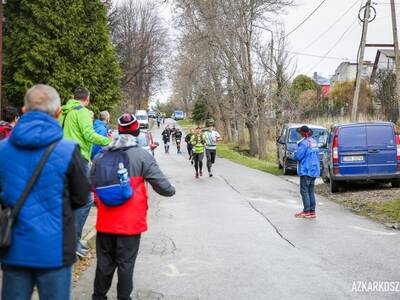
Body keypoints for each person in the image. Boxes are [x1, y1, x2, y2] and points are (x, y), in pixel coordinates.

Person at [0, 84, 89, 300]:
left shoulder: (2, 150)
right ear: (58, 113)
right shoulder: (68, 151)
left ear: (23, 110)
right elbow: (81, 198)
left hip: (14, 249)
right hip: (55, 252)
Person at [91, 113, 175, 300]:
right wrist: (172, 189)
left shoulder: (101, 155)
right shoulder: (142, 156)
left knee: (104, 264)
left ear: (117, 131)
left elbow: (91, 184)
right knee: (126, 264)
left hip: (105, 222)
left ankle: (98, 297)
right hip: (130, 223)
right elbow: (165, 189)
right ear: (137, 131)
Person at [60, 86, 111, 257]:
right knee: (86, 199)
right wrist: (109, 141)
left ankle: (66, 241)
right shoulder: (81, 111)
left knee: (68, 201)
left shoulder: (64, 111)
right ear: (87, 99)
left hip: (61, 158)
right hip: (77, 159)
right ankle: (73, 242)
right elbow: (89, 134)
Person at [293, 125, 320, 219]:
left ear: (303, 133)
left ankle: (307, 211)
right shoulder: (314, 142)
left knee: (304, 191)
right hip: (314, 169)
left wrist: (294, 154)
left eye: (300, 132)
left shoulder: (304, 143)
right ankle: (312, 211)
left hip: (306, 169)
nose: (299, 134)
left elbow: (298, 156)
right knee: (311, 191)